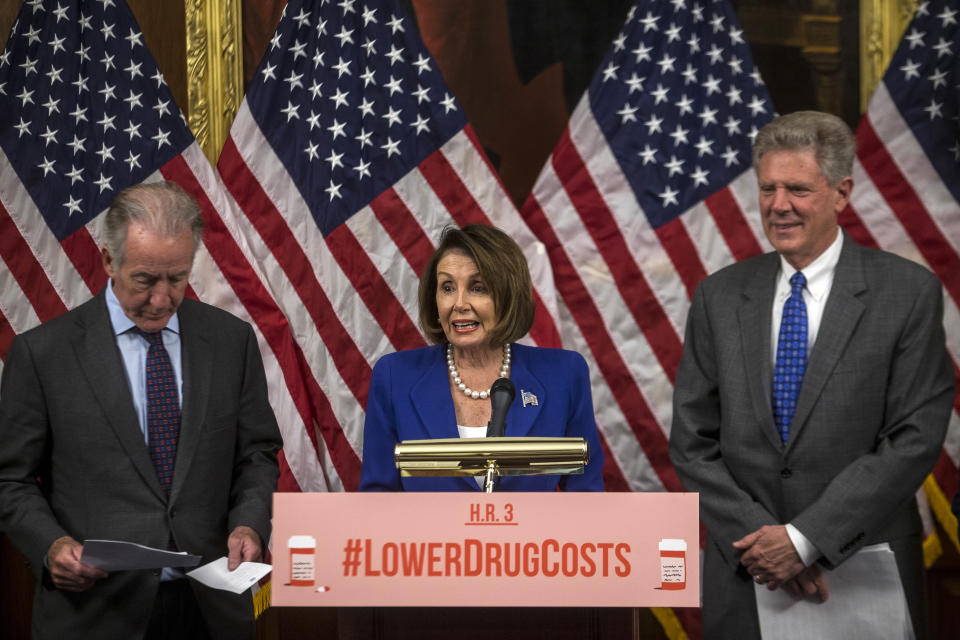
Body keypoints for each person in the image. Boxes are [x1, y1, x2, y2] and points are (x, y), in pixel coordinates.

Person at [669, 111, 954, 639]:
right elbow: (691, 441)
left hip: (864, 566)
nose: (779, 205)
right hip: (745, 569)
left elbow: (913, 441)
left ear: (842, 192)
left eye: (797, 189)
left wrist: (805, 540)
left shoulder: (907, 293)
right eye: (768, 188)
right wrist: (766, 544)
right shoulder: (720, 295)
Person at [0, 181, 282, 640]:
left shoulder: (231, 341)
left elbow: (256, 454)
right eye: (146, 280)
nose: (162, 299)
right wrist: (50, 546)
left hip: (210, 614)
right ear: (110, 261)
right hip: (93, 613)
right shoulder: (43, 354)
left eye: (177, 278)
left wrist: (250, 523)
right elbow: (9, 479)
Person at [359, 224, 604, 491]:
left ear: (508, 296)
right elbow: (378, 498)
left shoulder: (564, 375)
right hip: (428, 534)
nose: (460, 303)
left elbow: (586, 496)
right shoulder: (395, 377)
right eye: (448, 287)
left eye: (478, 287)